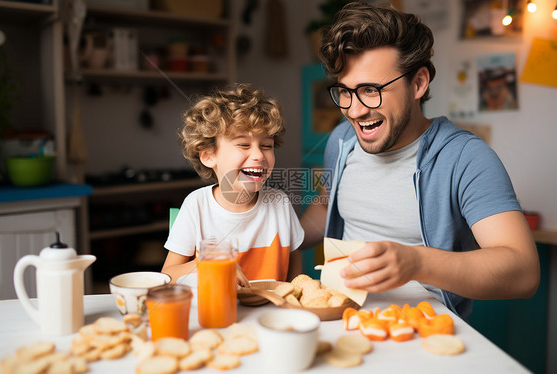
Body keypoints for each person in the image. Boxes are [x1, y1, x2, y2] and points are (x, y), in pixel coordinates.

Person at [300, 3, 539, 319]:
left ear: (418, 83)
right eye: (345, 91)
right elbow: (325, 204)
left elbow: (523, 271)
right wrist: (273, 237)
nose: (354, 111)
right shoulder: (341, 141)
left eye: (371, 90)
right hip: (344, 318)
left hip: (422, 331)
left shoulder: (465, 157)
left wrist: (416, 262)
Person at [163, 84, 304, 283]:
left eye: (266, 146)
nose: (258, 155)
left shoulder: (279, 202)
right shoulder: (196, 205)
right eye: (243, 145)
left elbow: (293, 261)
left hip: (270, 312)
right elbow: (166, 275)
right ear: (208, 155)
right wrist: (205, 264)